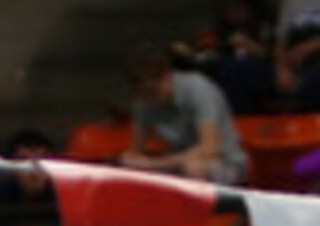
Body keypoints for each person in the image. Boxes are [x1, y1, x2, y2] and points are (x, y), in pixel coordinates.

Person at [83, 45, 250, 186]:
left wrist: (154, 165)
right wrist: (130, 162)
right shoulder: (143, 103)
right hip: (176, 161)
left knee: (193, 168)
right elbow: (135, 150)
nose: (150, 100)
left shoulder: (199, 90)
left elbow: (210, 149)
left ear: (168, 78)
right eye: (143, 94)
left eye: (153, 92)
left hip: (225, 163)